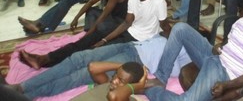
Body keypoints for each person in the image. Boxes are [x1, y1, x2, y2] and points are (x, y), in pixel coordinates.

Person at [144, 0, 243, 101]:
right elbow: (229, 41)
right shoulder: (241, 22)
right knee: (180, 28)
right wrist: (222, 45)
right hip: (215, 56)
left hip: (224, 72)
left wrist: (226, 85)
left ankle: (148, 91)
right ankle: (161, 77)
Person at [7, 35, 190, 99]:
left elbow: (171, 81)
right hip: (130, 45)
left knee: (78, 76)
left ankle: (25, 93)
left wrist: (140, 82)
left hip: (133, 62)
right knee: (77, 58)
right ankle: (22, 87)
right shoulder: (178, 36)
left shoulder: (188, 59)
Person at [19, 0, 128, 69]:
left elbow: (104, 14)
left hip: (118, 23)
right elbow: (90, 3)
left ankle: (45, 59)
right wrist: (76, 18)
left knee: (81, 43)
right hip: (110, 19)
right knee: (91, 11)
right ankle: (89, 35)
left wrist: (91, 31)